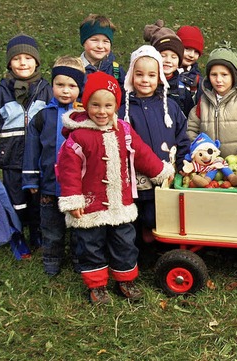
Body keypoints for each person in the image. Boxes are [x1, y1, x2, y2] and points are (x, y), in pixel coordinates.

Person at [57, 71, 175, 304]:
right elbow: (68, 171)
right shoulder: (78, 137)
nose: (102, 112)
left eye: (108, 105)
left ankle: (126, 279)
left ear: (116, 106)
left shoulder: (124, 131)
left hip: (120, 203)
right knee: (91, 245)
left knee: (124, 242)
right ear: (85, 104)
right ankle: (97, 285)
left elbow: (141, 154)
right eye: (96, 105)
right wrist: (73, 200)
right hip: (91, 205)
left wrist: (160, 171)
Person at [0, 34, 53, 249]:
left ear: (37, 62)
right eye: (17, 58)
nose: (23, 63)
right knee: (16, 200)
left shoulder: (47, 91)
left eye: (28, 58)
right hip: (11, 158)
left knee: (38, 199)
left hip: (38, 158)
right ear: (9, 63)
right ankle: (17, 233)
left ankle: (37, 231)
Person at [118, 45, 189, 245]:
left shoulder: (170, 107)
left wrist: (183, 161)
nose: (145, 80)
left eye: (151, 75)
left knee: (157, 215)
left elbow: (182, 136)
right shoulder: (124, 109)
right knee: (135, 216)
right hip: (135, 177)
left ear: (159, 77)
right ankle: (136, 249)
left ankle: (159, 246)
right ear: (131, 76)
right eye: (139, 74)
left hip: (165, 174)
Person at [22, 56, 85, 276]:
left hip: (78, 187)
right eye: (60, 84)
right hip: (49, 185)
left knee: (79, 226)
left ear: (81, 88)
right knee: (51, 227)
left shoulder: (84, 118)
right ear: (52, 85)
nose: (65, 90)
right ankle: (51, 259)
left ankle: (80, 259)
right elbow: (31, 150)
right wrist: (30, 179)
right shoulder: (42, 117)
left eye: (72, 86)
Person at [187, 41, 237, 157]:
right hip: (210, 164)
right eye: (214, 75)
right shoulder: (203, 102)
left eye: (224, 75)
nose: (218, 80)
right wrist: (199, 151)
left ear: (234, 76)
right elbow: (191, 130)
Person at [143, 20, 195, 117]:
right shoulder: (144, 85)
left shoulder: (182, 90)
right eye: (163, 55)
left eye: (173, 57)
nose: (168, 60)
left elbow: (190, 119)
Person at [79, 14, 126, 88]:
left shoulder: (116, 71)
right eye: (94, 40)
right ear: (84, 42)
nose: (100, 46)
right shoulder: (75, 68)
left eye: (105, 41)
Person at [176, 25, 204, 101]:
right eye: (187, 49)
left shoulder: (198, 79)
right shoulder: (166, 73)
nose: (191, 55)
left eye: (196, 52)